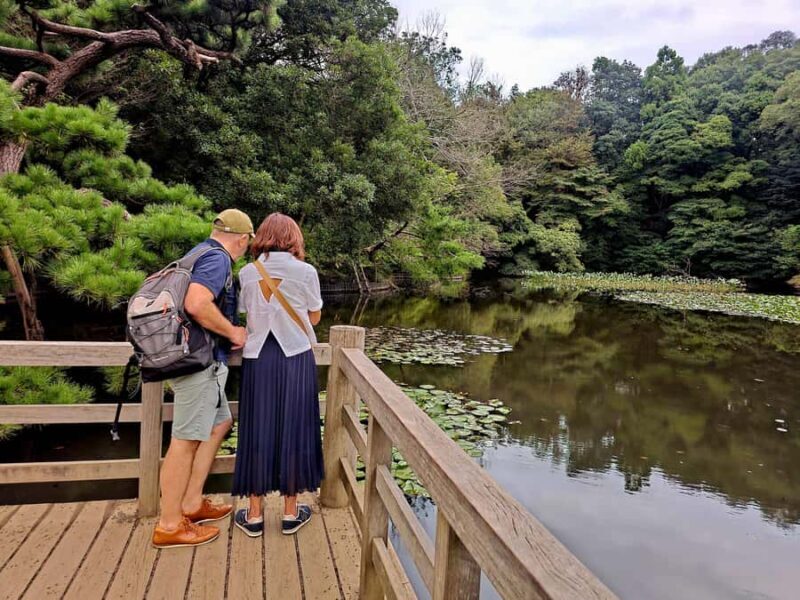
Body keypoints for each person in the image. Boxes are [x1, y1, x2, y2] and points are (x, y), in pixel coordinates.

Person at [152, 209, 254, 549]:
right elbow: (196, 304)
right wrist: (234, 331)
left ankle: (192, 503)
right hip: (197, 365)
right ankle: (169, 524)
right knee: (184, 440)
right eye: (247, 243)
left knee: (219, 424)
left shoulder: (197, 252)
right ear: (242, 239)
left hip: (198, 363)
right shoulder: (218, 260)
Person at [232, 212, 324, 537]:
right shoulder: (306, 271)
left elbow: (245, 313)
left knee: (257, 430)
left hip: (258, 359)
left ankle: (254, 515)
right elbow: (313, 318)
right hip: (295, 357)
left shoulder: (247, 272)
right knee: (295, 428)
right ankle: (289, 513)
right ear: (294, 238)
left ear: (262, 237)